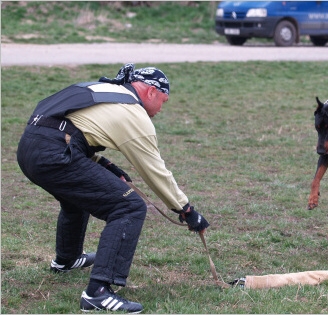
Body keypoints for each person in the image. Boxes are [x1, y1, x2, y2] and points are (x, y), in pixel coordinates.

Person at [17, 63, 210, 313]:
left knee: (77, 197)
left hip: (30, 148)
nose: (160, 110)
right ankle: (98, 293)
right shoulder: (132, 112)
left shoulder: (104, 90)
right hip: (54, 153)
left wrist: (103, 164)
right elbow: (154, 171)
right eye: (163, 101)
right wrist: (185, 209)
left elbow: (67, 127)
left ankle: (67, 259)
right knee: (129, 207)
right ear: (151, 92)